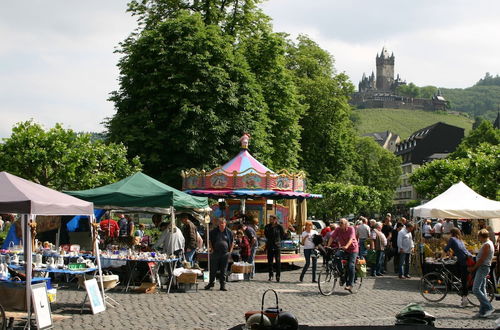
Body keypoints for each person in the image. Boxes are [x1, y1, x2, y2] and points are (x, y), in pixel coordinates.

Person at [468, 229, 495, 318]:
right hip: (484, 267)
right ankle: (482, 311)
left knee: (475, 289)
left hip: (483, 267)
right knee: (482, 289)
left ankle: (489, 307)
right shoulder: (489, 243)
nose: (478, 238)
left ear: (481, 236)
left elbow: (482, 259)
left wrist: (473, 268)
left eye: (479, 236)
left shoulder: (487, 245)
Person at [328, 218, 359, 292]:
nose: (340, 224)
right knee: (336, 256)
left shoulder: (351, 229)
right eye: (339, 222)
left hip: (352, 249)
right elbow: (332, 237)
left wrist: (347, 246)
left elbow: (351, 239)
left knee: (351, 265)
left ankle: (350, 285)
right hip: (343, 248)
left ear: (346, 224)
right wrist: (328, 246)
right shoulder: (338, 229)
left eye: (341, 223)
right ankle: (342, 274)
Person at [444, 228, 472, 307]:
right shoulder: (459, 240)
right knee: (461, 277)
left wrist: (441, 258)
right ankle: (460, 288)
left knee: (463, 280)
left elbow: (446, 249)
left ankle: (465, 299)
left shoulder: (452, 239)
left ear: (451, 233)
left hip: (463, 261)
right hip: (465, 259)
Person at [205, 218, 234, 291]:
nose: (221, 224)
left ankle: (223, 285)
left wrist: (230, 252)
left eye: (222, 223)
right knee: (213, 269)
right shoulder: (214, 231)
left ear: (225, 224)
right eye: (220, 223)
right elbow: (210, 241)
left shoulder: (229, 232)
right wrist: (211, 249)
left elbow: (232, 242)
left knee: (223, 270)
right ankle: (211, 283)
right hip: (215, 253)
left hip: (225, 253)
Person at [264, 215, 286, 282]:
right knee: (270, 262)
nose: (270, 220)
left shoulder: (279, 227)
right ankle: (270, 275)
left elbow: (283, 235)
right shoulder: (267, 226)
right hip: (270, 245)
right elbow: (266, 235)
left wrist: (278, 241)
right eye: (269, 219)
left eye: (271, 219)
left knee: (278, 261)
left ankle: (278, 275)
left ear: (275, 220)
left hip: (277, 246)